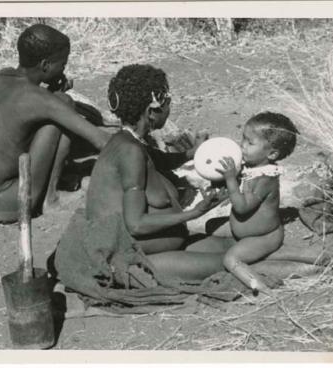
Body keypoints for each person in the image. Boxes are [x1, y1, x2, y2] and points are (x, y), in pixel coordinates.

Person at [54, 64, 236, 291]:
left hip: (161, 248)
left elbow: (159, 160)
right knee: (236, 262)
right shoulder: (130, 152)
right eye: (167, 101)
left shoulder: (131, 140)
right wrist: (195, 212)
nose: (170, 106)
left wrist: (193, 152)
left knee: (238, 247)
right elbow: (136, 225)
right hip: (134, 259)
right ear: (152, 110)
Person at [0, 24, 110, 224]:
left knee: (55, 107)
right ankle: (51, 198)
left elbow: (23, 109)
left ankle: (57, 183)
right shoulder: (39, 99)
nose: (64, 68)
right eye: (62, 64)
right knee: (65, 104)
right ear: (45, 65)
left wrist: (51, 93)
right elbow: (100, 140)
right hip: (10, 203)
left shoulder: (0, 78)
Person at [214, 112, 299, 293]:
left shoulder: (265, 179)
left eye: (250, 143)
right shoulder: (253, 167)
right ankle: (265, 255)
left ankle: (260, 287)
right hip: (245, 232)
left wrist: (230, 179)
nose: (242, 146)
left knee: (231, 260)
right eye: (243, 139)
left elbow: (242, 207)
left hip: (263, 236)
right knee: (210, 226)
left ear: (272, 154)